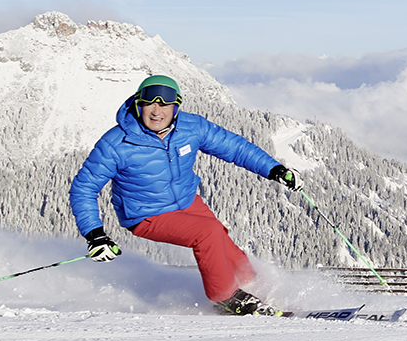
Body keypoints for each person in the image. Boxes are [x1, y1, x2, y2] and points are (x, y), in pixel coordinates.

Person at [71, 74, 300, 314]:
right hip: (146, 214)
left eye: (165, 105)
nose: (157, 111)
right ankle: (226, 298)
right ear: (138, 104)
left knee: (223, 243)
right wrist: (95, 236)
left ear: (176, 107)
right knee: (207, 233)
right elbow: (83, 188)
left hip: (187, 201)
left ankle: (253, 285)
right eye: (149, 103)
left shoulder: (191, 127)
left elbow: (235, 148)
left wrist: (274, 169)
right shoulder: (116, 143)